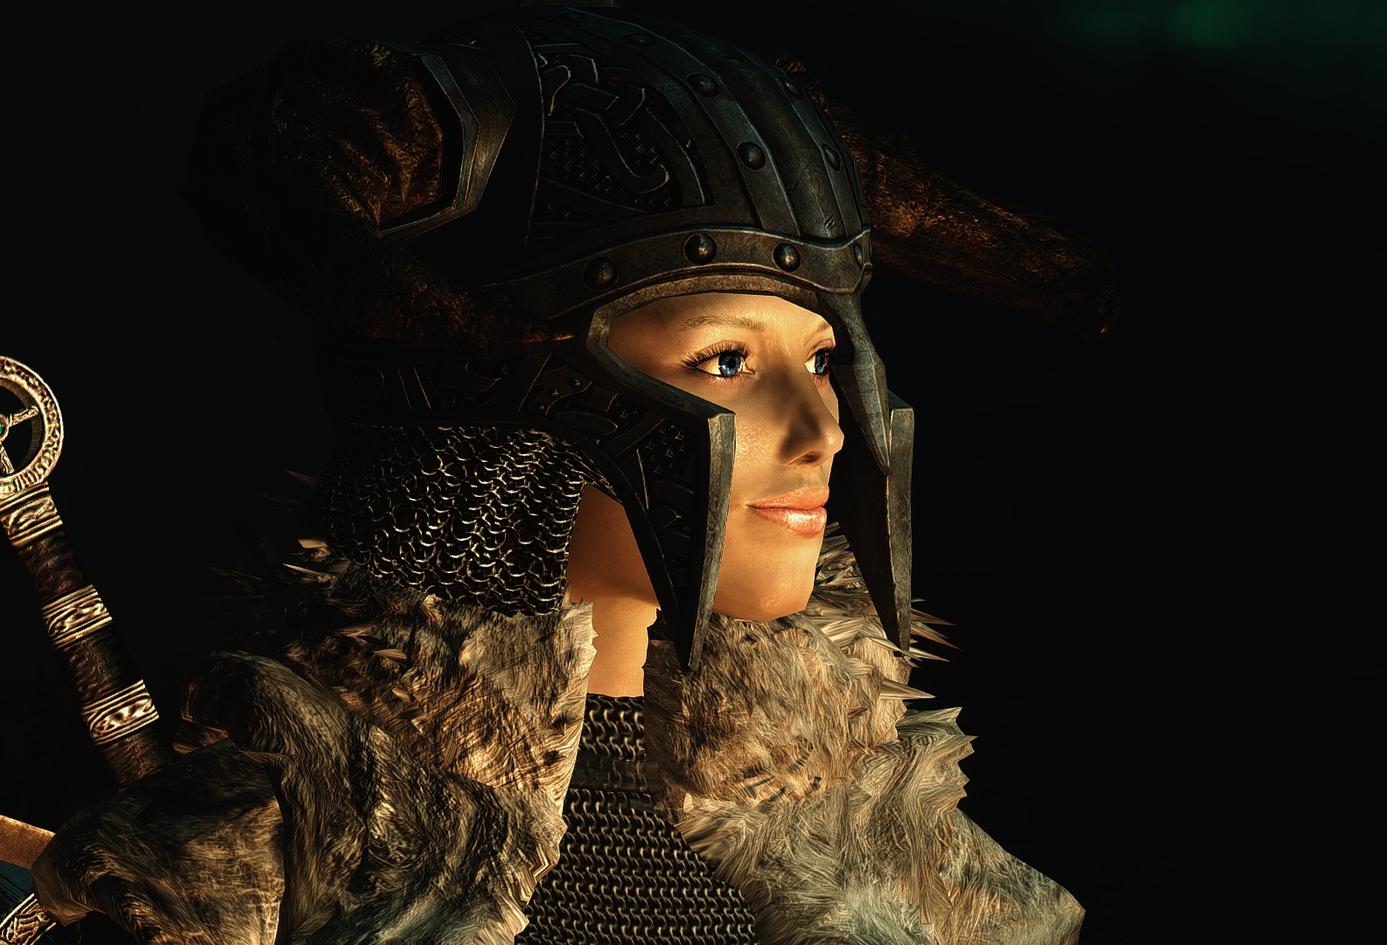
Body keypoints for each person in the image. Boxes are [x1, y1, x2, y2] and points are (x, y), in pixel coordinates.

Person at [27, 3, 1098, 942]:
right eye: (726, 361)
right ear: (500, 401)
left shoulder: (886, 841)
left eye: (819, 360)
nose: (824, 429)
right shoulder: (265, 852)